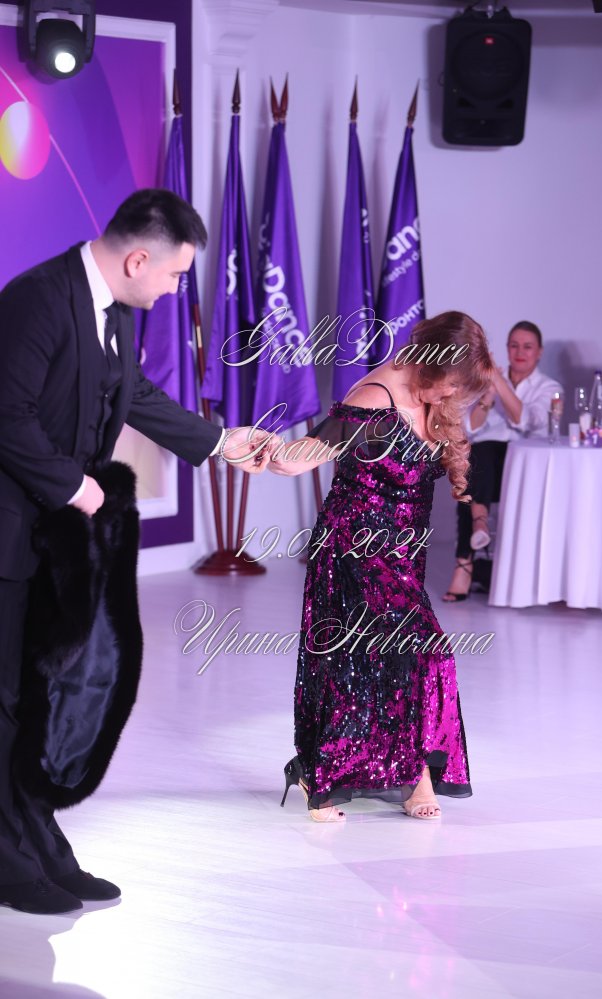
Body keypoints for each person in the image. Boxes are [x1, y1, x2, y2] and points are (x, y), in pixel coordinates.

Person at [0, 188, 260, 915]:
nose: (176, 289)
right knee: (4, 699)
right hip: (8, 534)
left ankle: (38, 847)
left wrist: (220, 441)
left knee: (33, 699)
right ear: (139, 259)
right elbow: (5, 413)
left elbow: (131, 392)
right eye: (176, 275)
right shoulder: (36, 298)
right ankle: (9, 861)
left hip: (53, 540)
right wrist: (75, 487)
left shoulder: (113, 308)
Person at [259, 311, 493, 822]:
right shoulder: (373, 400)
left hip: (403, 556)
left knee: (378, 664)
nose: (452, 395)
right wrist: (258, 447)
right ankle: (395, 779)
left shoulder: (432, 398)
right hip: (354, 550)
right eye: (451, 384)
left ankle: (358, 774)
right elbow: (297, 459)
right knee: (419, 655)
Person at [443, 320, 562, 602]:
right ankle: (478, 529)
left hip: (529, 471)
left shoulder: (550, 388)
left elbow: (524, 420)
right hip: (487, 471)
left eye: (527, 347)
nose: (520, 352)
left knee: (477, 465)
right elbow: (470, 427)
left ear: (539, 352)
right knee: (477, 456)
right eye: (514, 345)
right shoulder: (485, 381)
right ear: (507, 349)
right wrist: (487, 396)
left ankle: (466, 561)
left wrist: (498, 381)